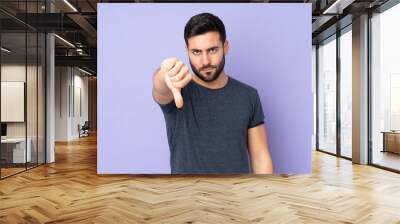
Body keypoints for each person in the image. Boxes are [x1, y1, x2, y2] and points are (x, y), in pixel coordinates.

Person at [152, 12, 273, 174]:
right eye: (196, 52)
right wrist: (163, 75)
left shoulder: (248, 95)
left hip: (235, 196)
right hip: (185, 197)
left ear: (225, 47)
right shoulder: (177, 91)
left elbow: (260, 157)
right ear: (187, 51)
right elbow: (160, 88)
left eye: (212, 50)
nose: (205, 61)